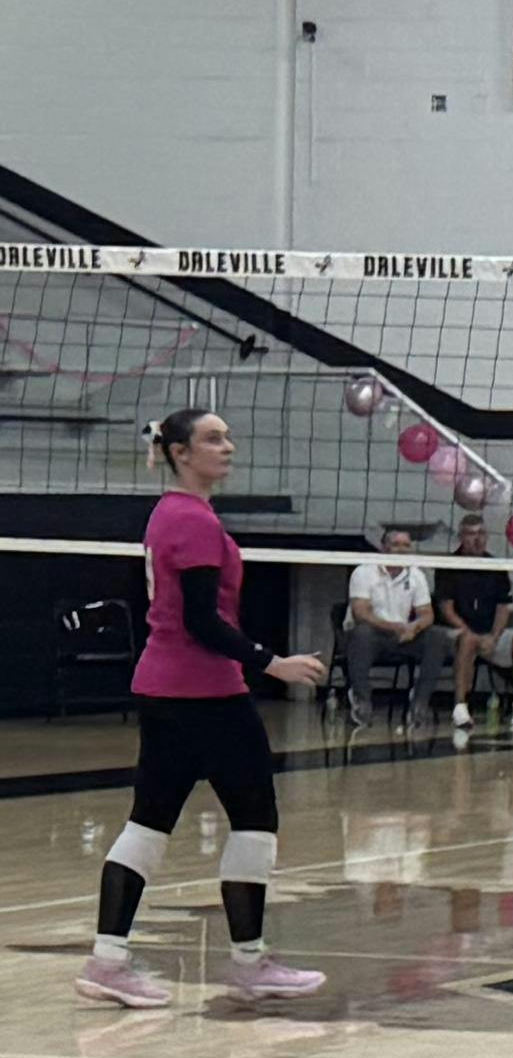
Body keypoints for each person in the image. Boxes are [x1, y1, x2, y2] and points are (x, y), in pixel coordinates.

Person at [76, 409, 329, 1009]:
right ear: (180, 453)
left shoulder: (173, 513)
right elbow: (201, 621)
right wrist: (273, 663)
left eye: (227, 437)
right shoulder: (190, 520)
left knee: (149, 822)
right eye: (214, 439)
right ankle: (250, 963)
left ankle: (107, 962)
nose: (228, 447)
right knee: (255, 818)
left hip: (166, 687)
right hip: (205, 692)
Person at [435, 514, 513, 730]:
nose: (477, 539)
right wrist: (471, 633)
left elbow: (503, 608)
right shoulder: (448, 566)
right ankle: (460, 707)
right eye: (471, 534)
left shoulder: (495, 566)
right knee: (468, 640)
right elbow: (447, 610)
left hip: (489, 633)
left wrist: (494, 636)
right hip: (457, 632)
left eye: (481, 533)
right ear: (461, 537)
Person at [345, 528, 452, 732]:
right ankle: (361, 699)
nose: (402, 550)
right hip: (372, 634)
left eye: (406, 545)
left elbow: (427, 614)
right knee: (362, 633)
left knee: (437, 635)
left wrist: (414, 627)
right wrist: (393, 627)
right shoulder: (364, 571)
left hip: (401, 636)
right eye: (396, 545)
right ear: (383, 547)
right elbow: (361, 613)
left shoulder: (416, 574)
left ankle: (420, 700)